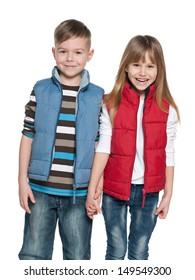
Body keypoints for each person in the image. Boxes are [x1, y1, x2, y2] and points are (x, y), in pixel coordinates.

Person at [86, 35, 180, 260]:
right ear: (126, 66)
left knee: (139, 251)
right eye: (136, 64)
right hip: (113, 190)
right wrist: (92, 189)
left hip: (148, 192)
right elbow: (103, 147)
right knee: (116, 249)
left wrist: (168, 193)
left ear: (159, 70)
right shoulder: (110, 104)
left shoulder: (168, 109)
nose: (142, 72)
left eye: (150, 66)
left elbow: (168, 153)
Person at [18, 19, 104, 260]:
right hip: (39, 191)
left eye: (78, 52)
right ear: (54, 52)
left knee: (77, 258)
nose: (70, 58)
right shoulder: (41, 89)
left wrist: (99, 186)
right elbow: (27, 135)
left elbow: (101, 144)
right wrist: (22, 181)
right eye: (63, 51)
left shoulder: (98, 96)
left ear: (90, 54)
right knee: (33, 255)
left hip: (79, 193)